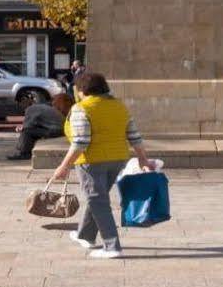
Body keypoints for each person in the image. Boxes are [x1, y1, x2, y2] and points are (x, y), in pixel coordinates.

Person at [50, 73, 156, 259]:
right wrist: (142, 159)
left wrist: (64, 165)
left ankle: (112, 246)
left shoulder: (81, 109)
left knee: (97, 201)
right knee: (97, 198)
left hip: (91, 161)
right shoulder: (119, 107)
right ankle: (86, 235)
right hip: (117, 159)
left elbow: (80, 142)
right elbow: (134, 136)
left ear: (81, 90)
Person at [9, 92, 72, 161]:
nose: (20, 105)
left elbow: (27, 126)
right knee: (31, 131)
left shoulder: (31, 109)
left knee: (27, 132)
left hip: (57, 130)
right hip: (61, 129)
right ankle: (26, 150)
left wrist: (21, 128)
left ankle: (24, 153)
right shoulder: (40, 106)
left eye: (20, 103)